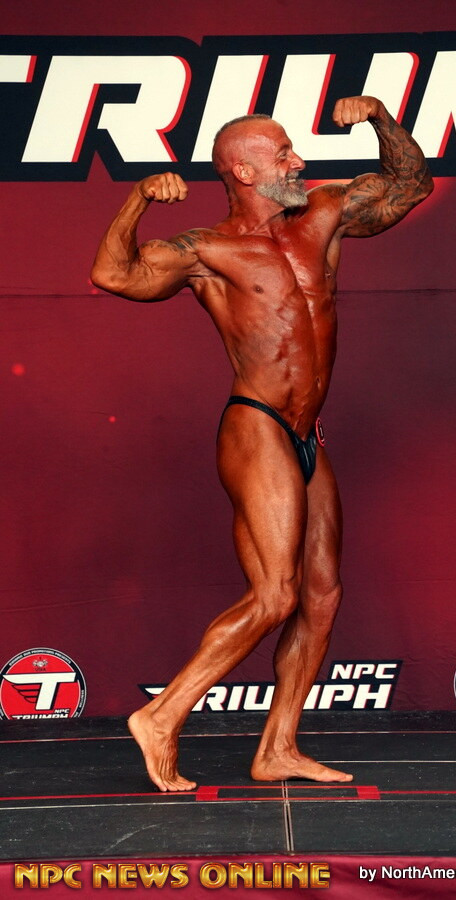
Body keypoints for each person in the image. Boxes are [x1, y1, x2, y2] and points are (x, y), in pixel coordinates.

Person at [91, 95, 433, 792]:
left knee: (322, 596)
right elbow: (114, 275)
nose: (298, 161)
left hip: (306, 431)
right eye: (282, 155)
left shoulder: (325, 215)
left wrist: (378, 117)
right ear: (244, 172)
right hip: (257, 424)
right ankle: (161, 716)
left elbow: (411, 185)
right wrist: (137, 200)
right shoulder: (206, 250)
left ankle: (277, 747)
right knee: (276, 595)